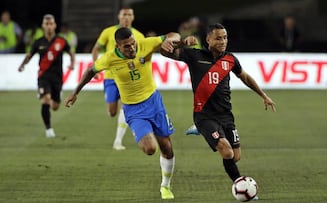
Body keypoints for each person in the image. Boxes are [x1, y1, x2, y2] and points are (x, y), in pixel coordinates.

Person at [64, 27, 195, 200]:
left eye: (132, 44)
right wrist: (75, 93)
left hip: (154, 103)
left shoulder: (144, 44)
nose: (132, 48)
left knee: (167, 148)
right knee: (150, 149)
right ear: (118, 46)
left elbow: (171, 36)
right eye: (127, 46)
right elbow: (90, 71)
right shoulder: (110, 58)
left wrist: (180, 41)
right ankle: (139, 134)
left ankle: (165, 186)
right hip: (134, 110)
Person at [160, 23, 276, 200]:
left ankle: (203, 133)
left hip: (225, 115)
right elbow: (165, 52)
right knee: (226, 151)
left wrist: (263, 95)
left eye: (225, 38)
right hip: (204, 115)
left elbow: (244, 76)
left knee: (235, 156)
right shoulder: (194, 55)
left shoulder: (230, 59)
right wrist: (182, 43)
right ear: (208, 39)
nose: (223, 41)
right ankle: (241, 186)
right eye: (218, 38)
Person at [91, 7, 145, 150]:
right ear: (119, 17)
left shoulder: (139, 36)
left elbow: (143, 56)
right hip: (110, 76)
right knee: (112, 112)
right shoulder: (108, 32)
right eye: (124, 15)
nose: (126, 17)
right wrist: (95, 67)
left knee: (125, 106)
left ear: (133, 17)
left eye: (129, 15)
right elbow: (96, 48)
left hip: (128, 78)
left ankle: (118, 140)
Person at [18, 14, 75, 138]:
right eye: (46, 24)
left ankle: (55, 95)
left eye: (51, 24)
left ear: (54, 25)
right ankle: (48, 129)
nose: (49, 26)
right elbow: (30, 55)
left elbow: (71, 52)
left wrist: (72, 63)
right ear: (43, 26)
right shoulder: (38, 42)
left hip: (57, 78)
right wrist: (23, 65)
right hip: (43, 76)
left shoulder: (61, 41)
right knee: (45, 100)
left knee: (55, 106)